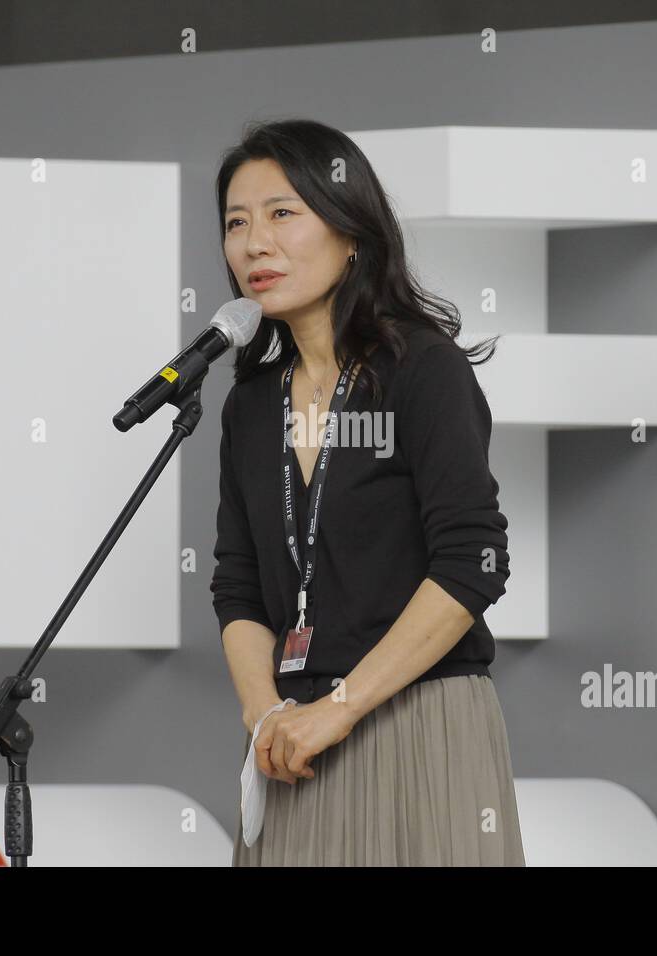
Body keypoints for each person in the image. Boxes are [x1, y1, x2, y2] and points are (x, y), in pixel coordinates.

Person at [209, 118, 525, 866]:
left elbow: (472, 561)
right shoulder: (251, 404)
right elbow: (239, 585)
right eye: (236, 223)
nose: (256, 243)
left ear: (353, 234)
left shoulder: (423, 370)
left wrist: (341, 709)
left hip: (416, 723)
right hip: (294, 744)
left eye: (283, 214)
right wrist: (266, 716)